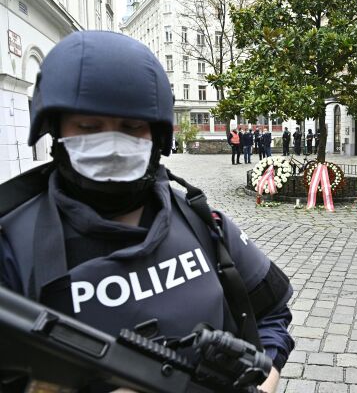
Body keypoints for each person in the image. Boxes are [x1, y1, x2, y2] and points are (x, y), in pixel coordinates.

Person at [0, 31, 293, 393]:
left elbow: (272, 312)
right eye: (88, 127)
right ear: (55, 129)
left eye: (131, 127)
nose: (111, 143)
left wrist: (265, 381)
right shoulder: (12, 245)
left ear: (155, 136)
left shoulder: (203, 222)